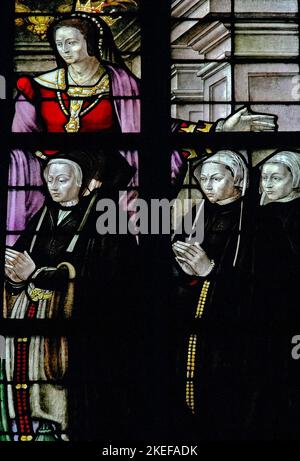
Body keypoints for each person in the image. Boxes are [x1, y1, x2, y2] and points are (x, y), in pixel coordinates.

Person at [8, 11, 277, 244]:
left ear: (90, 43)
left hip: (113, 187)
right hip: (56, 186)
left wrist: (219, 131)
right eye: (59, 44)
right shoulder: (34, 88)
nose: (65, 49)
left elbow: (162, 131)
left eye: (72, 42)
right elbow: (21, 143)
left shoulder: (125, 85)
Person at [4, 149, 138, 441]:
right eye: (49, 179)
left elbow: (113, 280)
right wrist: (15, 280)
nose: (52, 186)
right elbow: (21, 270)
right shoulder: (43, 218)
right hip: (36, 332)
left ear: (82, 183)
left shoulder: (107, 220)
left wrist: (38, 275)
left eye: (61, 180)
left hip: (81, 339)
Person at [171, 150, 251, 440]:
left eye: (216, 178)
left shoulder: (255, 221)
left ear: (237, 180)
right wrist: (180, 269)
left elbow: (263, 285)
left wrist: (211, 270)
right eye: (203, 179)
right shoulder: (195, 215)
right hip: (185, 321)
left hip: (230, 332)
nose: (207, 185)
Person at [244, 151, 300, 440]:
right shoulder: (258, 214)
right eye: (264, 178)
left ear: (296, 179)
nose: (267, 184)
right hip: (261, 303)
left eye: (276, 178)